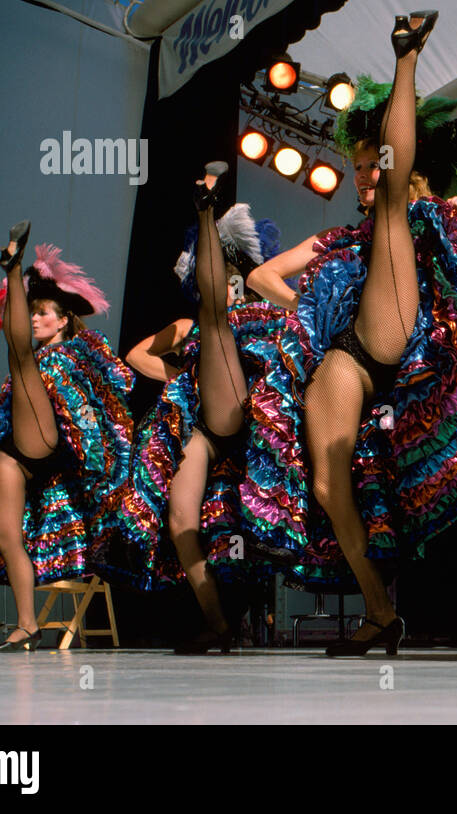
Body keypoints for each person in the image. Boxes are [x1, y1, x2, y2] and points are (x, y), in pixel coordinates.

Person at [247, 12, 457, 656]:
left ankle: (406, 59)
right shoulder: (338, 238)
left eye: (373, 165)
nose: (362, 176)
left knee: (391, 213)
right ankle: (381, 612)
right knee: (327, 486)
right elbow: (260, 277)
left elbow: (410, 197)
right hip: (354, 353)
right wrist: (308, 309)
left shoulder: (425, 214)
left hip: (413, 344)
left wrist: (402, 68)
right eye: (356, 168)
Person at [91, 185, 287, 653]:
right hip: (202, 422)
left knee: (243, 535)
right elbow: (136, 355)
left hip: (251, 426)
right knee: (181, 520)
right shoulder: (187, 326)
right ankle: (218, 623)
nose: (222, 284)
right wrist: (181, 375)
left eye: (229, 277)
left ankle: (205, 212)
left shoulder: (266, 318)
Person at [0, 226, 133, 651]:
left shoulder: (77, 356)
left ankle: (13, 268)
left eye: (43, 312)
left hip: (56, 447)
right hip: (17, 454)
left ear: (63, 320)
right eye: (30, 312)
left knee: (20, 356)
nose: (35, 318)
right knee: (7, 538)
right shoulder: (35, 361)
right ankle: (28, 624)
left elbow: (101, 413)